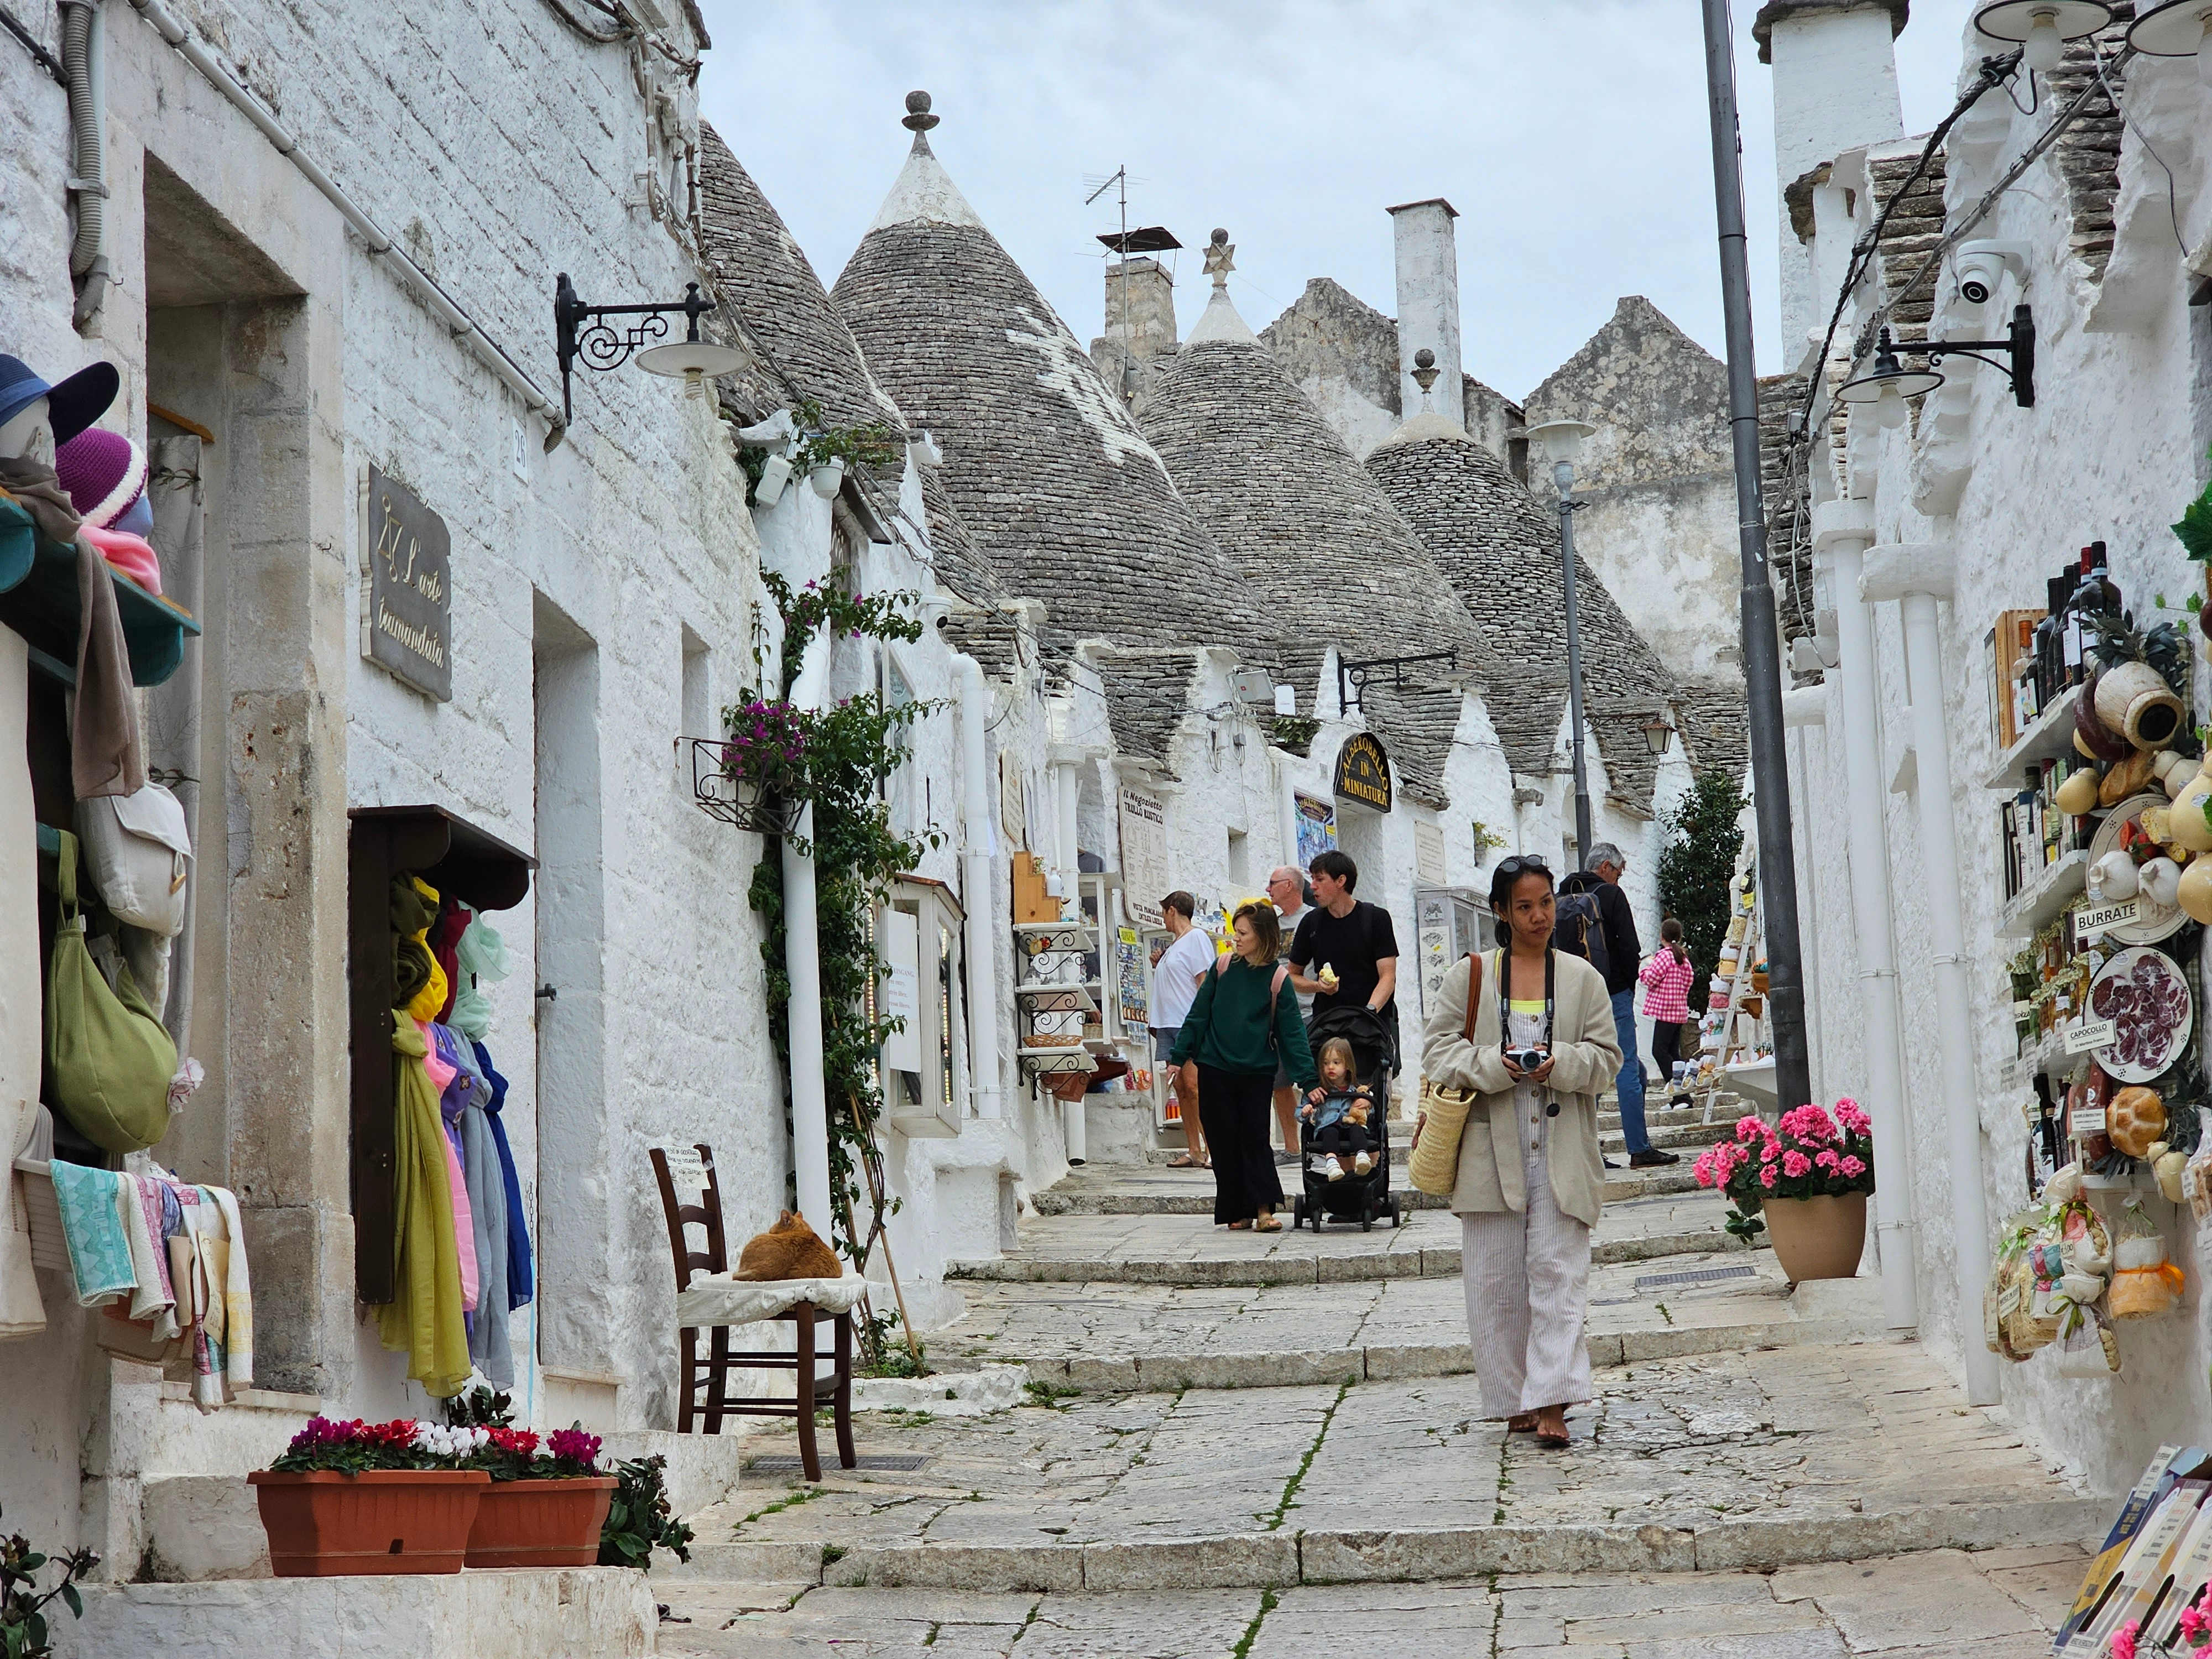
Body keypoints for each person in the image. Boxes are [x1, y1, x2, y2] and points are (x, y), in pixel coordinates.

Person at [1421, 854, 1620, 1448]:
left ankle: (1554, 1400)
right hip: (1490, 1147)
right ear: (1502, 912)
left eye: (1546, 903)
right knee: (1496, 1283)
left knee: (1559, 1275)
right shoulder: (1472, 974)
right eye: (1525, 906)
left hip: (1561, 1148)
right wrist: (1492, 1065)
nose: (1539, 917)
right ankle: (1512, 1399)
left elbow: (1608, 1060)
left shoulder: (1582, 979)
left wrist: (1563, 1064)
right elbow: (1436, 1051)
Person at [1171, 900, 1314, 1233]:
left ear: (1262, 936)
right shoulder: (1222, 968)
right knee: (1221, 1140)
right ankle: (1240, 1210)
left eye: (1243, 933)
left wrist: (1309, 1081)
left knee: (1254, 1138)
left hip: (1255, 1072)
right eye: (1236, 931)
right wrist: (1179, 1058)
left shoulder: (1278, 978)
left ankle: (1264, 1209)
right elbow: (1198, 1015)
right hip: (1215, 1068)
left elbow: (1292, 1034)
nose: (1236, 938)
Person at [1558, 843, 1676, 1168]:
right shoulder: (1610, 895)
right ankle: (1639, 1149)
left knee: (1599, 1067)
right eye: (1620, 873)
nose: (1620, 880)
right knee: (1625, 1067)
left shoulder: (1562, 895)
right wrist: (1627, 982)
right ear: (1607, 867)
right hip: (1612, 993)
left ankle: (1587, 1150)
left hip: (1576, 995)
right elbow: (1630, 946)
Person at [1288, 848, 1398, 1036]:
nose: (1312, 886)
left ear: (1341, 881)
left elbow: (1388, 976)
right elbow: (1292, 976)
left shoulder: (1376, 918)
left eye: (1319, 879)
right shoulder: (1310, 923)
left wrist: (1369, 1012)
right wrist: (1318, 987)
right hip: (1327, 1027)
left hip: (1372, 1027)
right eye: (1312, 879)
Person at [1149, 891, 1215, 1168]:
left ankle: (1214, 1149)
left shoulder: (1196, 938)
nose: (1163, 917)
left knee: (1195, 1086)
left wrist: (1202, 1021)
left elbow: (1204, 980)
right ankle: (1194, 1150)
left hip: (1187, 1023)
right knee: (1181, 1088)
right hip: (1167, 1023)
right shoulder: (1173, 946)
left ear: (1172, 910)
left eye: (1164, 912)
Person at [1265, 865, 1316, 1165]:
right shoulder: (1271, 923)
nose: (1268, 888)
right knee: (1278, 1081)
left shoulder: (1312, 918)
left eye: (1273, 883)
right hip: (1279, 1012)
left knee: (1315, 1080)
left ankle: (1322, 1141)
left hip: (1309, 1010)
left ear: (1289, 886)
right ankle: (1292, 1148)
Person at [1302, 1037, 1379, 1181]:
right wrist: (1306, 1110)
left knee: (1357, 1129)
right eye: (1326, 1063)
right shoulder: (1319, 1092)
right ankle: (1332, 1164)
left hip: (1350, 1126)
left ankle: (1362, 1156)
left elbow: (1370, 1113)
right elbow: (1302, 1111)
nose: (1330, 1067)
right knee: (1330, 1133)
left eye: (1336, 1063)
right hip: (1327, 1127)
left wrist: (1368, 1104)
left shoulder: (1355, 1090)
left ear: (1348, 1065)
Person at [1639, 918, 1697, 1103]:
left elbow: (1651, 979)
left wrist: (1643, 970)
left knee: (1659, 1051)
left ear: (1662, 936)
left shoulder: (1663, 956)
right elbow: (1689, 981)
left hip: (1665, 1011)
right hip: (1678, 1012)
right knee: (1673, 1054)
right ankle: (1680, 1096)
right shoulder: (1683, 958)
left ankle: (1681, 1095)